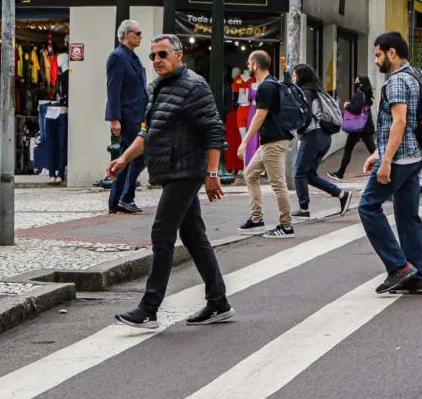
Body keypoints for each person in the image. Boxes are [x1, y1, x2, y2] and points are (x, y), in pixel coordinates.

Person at [107, 35, 231, 328]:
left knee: (162, 234)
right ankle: (218, 302)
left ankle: (149, 308)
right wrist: (124, 159)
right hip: (173, 171)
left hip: (185, 172)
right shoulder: (160, 88)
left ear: (178, 55)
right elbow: (148, 132)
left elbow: (214, 131)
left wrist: (212, 173)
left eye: (162, 54)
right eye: (152, 56)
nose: (157, 60)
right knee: (194, 237)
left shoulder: (194, 86)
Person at [358, 32, 422, 295]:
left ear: (391, 53)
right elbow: (405, 124)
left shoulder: (397, 80)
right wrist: (378, 153)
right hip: (413, 155)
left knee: (367, 206)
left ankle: (399, 267)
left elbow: (399, 122)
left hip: (399, 157)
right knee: (407, 215)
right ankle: (419, 277)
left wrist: (386, 160)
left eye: (378, 54)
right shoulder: (415, 75)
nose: (376, 60)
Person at [238, 50, 296, 238]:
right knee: (250, 174)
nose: (248, 66)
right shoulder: (272, 83)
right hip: (270, 141)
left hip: (274, 140)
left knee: (278, 184)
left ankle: (286, 226)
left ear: (255, 65)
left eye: (249, 63)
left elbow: (260, 115)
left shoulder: (266, 87)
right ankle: (257, 218)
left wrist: (244, 142)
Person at [290, 64, 352, 219]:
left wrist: (297, 129)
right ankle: (341, 194)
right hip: (325, 137)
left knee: (299, 173)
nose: (293, 78)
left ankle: (304, 209)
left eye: (295, 75)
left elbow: (305, 115)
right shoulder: (317, 91)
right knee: (309, 174)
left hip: (313, 135)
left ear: (301, 77)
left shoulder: (305, 93)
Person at [105, 19, 149, 215]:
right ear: (126, 35)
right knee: (139, 154)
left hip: (137, 114)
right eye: (137, 33)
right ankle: (125, 197)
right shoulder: (117, 57)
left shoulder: (132, 56)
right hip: (127, 115)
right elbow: (113, 89)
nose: (140, 36)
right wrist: (114, 118)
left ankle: (116, 200)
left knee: (125, 156)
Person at [332, 75, 376, 179]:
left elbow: (356, 109)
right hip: (366, 127)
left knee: (348, 150)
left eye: (356, 81)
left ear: (361, 84)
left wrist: (347, 105)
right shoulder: (366, 94)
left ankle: (340, 173)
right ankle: (388, 165)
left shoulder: (359, 93)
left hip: (358, 127)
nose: (354, 82)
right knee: (373, 150)